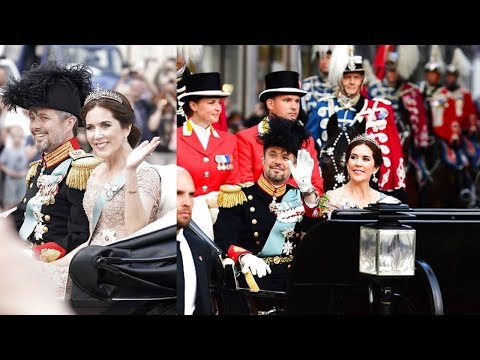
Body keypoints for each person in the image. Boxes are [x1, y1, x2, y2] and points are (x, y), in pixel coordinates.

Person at [37, 87, 162, 299]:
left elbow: (135, 231)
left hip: (122, 270)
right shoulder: (95, 172)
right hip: (88, 261)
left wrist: (130, 171)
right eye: (91, 127)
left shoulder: (145, 174)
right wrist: (50, 266)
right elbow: (91, 239)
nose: (97, 136)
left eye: (106, 125)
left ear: (126, 127)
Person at [213, 117, 323, 314]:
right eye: (272, 155)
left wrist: (307, 190)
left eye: (285, 157)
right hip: (254, 280)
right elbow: (222, 239)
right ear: (262, 159)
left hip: (293, 281)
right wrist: (243, 256)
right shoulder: (239, 197)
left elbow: (314, 232)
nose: (278, 162)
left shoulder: (302, 198)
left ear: (294, 164)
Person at [1, 61, 99, 262]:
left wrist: (30, 256)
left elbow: (79, 236)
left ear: (69, 122)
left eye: (44, 118)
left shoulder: (82, 169)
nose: (35, 126)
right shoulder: (39, 167)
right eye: (32, 118)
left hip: (50, 270)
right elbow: (23, 214)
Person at [307, 45, 406, 201]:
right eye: (347, 77)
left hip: (365, 180)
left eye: (356, 77)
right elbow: (310, 145)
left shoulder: (377, 109)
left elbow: (392, 150)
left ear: (362, 80)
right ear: (340, 79)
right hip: (329, 179)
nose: (352, 82)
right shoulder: (324, 107)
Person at [236, 70, 324, 195]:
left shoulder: (307, 140)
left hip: (299, 210)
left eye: (297, 101)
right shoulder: (246, 138)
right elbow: (245, 185)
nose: (294, 106)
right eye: (287, 100)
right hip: (258, 210)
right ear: (270, 104)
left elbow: (317, 187)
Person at [177, 72, 240, 196]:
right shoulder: (176, 138)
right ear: (193, 105)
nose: (218, 108)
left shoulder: (230, 140)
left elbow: (234, 183)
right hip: (185, 211)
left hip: (221, 211)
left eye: (219, 102)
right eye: (211, 103)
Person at [177, 166, 223, 315]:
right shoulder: (148, 248)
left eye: (191, 195)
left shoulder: (201, 248)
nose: (187, 202)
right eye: (178, 193)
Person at [320, 134, 401, 219]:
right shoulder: (330, 199)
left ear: (376, 168)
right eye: (353, 157)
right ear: (347, 163)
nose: (358, 163)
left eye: (366, 159)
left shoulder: (388, 202)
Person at [302, 45, 336, 118]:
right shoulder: (308, 85)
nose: (324, 61)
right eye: (321, 57)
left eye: (328, 57)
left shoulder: (343, 86)